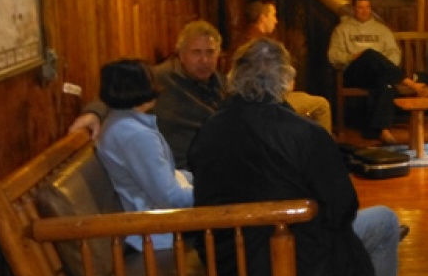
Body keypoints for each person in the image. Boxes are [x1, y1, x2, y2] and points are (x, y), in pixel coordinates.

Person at [189, 38, 408, 276]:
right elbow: (342, 209)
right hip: (284, 265)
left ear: (235, 75)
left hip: (228, 261)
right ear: (286, 80)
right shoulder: (306, 134)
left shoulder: (209, 129)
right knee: (382, 222)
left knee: (310, 225)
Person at [70, 20, 329, 167]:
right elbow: (117, 94)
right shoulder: (159, 78)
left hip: (226, 152)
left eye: (210, 53)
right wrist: (94, 112)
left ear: (219, 54)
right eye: (196, 53)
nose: (204, 60)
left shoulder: (219, 81)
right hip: (191, 166)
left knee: (311, 110)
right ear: (180, 54)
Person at [94, 59, 193, 252]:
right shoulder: (135, 135)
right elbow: (171, 198)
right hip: (156, 233)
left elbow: (165, 178)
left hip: (156, 222)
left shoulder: (119, 121)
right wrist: (214, 191)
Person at [327, 0, 428, 144]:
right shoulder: (342, 29)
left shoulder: (381, 30)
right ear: (353, 9)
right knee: (369, 54)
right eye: (360, 8)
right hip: (354, 73)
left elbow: (394, 53)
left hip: (378, 73)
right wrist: (353, 56)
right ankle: (410, 83)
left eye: (367, 7)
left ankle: (382, 130)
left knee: (386, 83)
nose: (364, 11)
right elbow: (333, 56)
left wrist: (384, 67)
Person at [237, 0, 333, 133]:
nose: (276, 21)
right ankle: (321, 151)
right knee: (322, 105)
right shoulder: (260, 46)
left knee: (305, 97)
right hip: (268, 102)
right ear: (263, 17)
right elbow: (263, 83)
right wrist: (285, 84)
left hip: (260, 100)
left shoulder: (247, 39)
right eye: (273, 15)